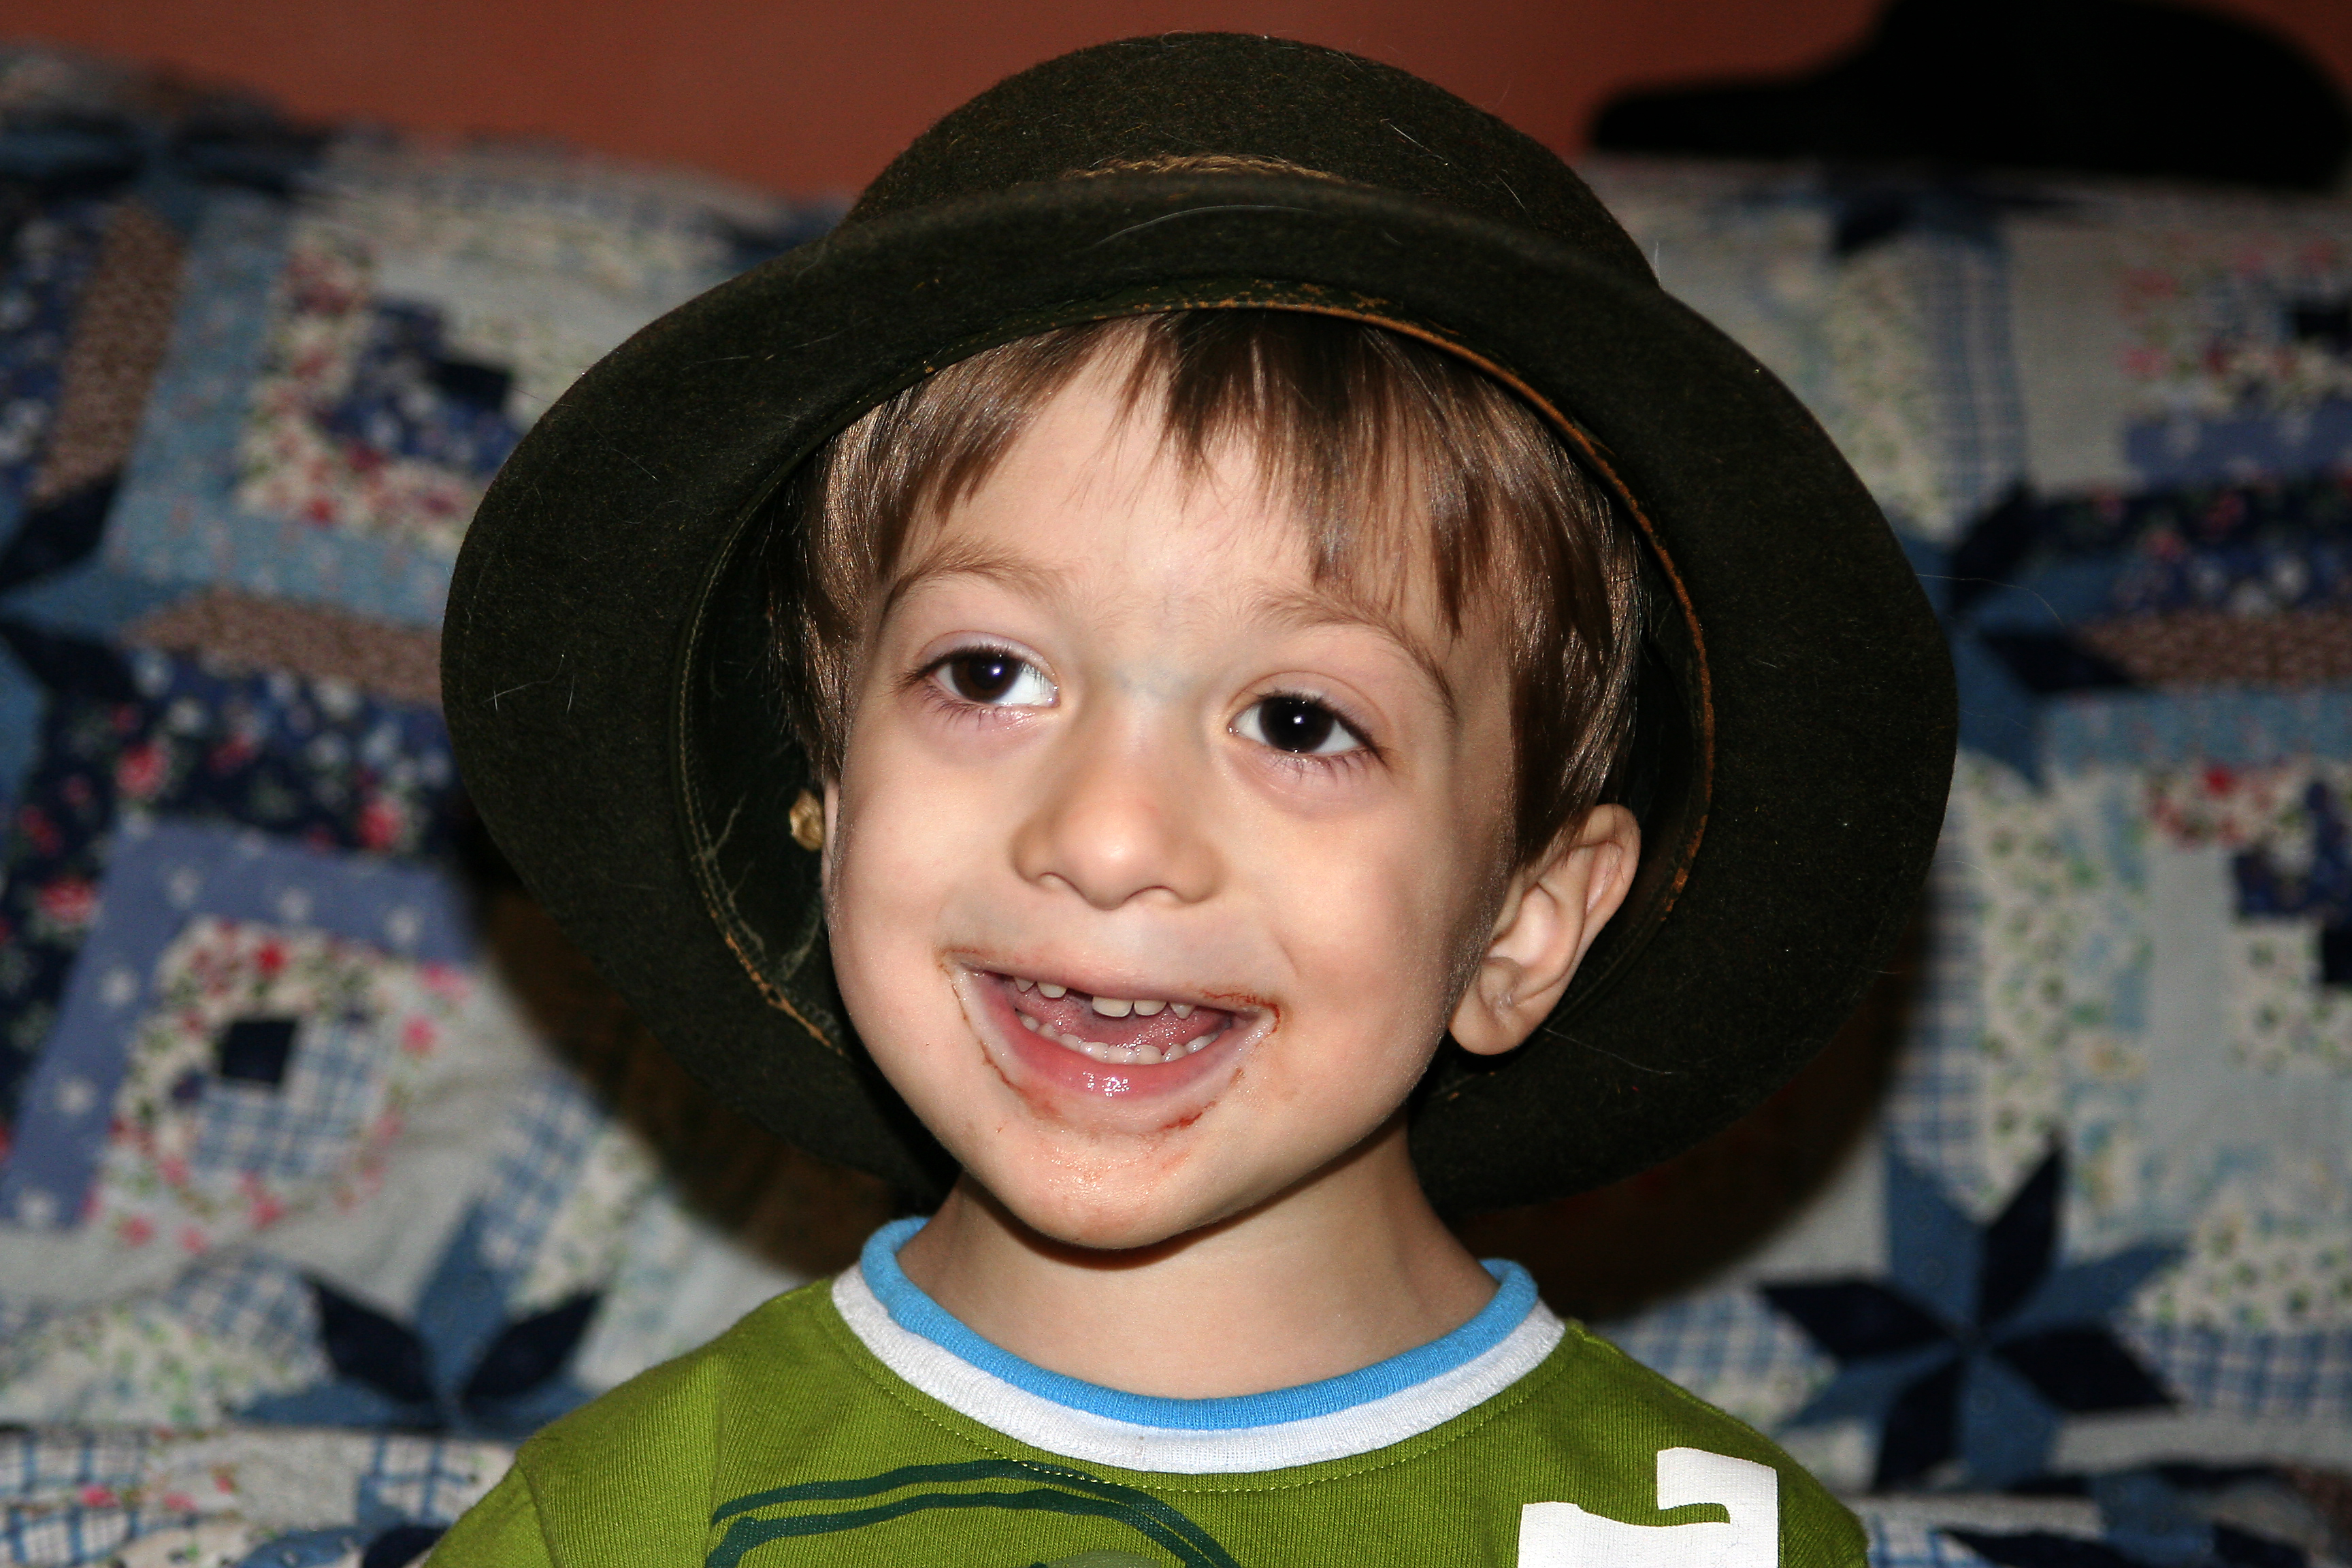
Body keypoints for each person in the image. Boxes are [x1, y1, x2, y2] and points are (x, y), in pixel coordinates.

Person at [434, 33, 1953, 1567]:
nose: (1106, 840)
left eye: (1300, 721)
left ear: (1524, 923)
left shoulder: (1706, 1546)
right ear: (827, 801)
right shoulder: (620, 1529)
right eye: (986, 676)